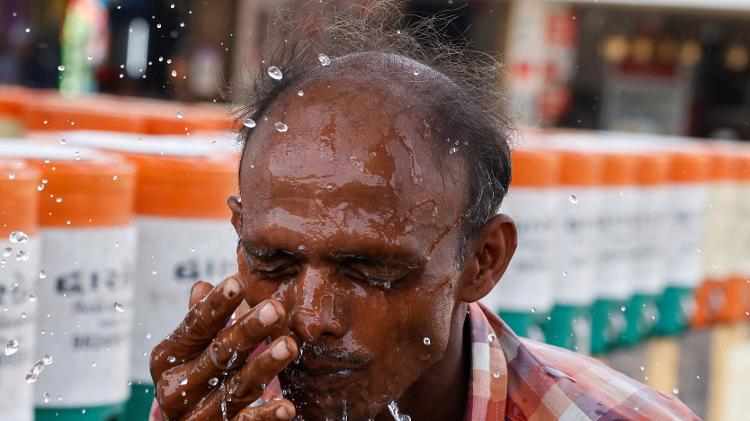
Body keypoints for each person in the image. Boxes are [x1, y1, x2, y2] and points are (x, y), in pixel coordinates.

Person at [149, 2, 698, 420]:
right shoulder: (213, 404)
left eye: (371, 271)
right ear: (238, 230)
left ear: (482, 261)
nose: (313, 316)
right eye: (272, 262)